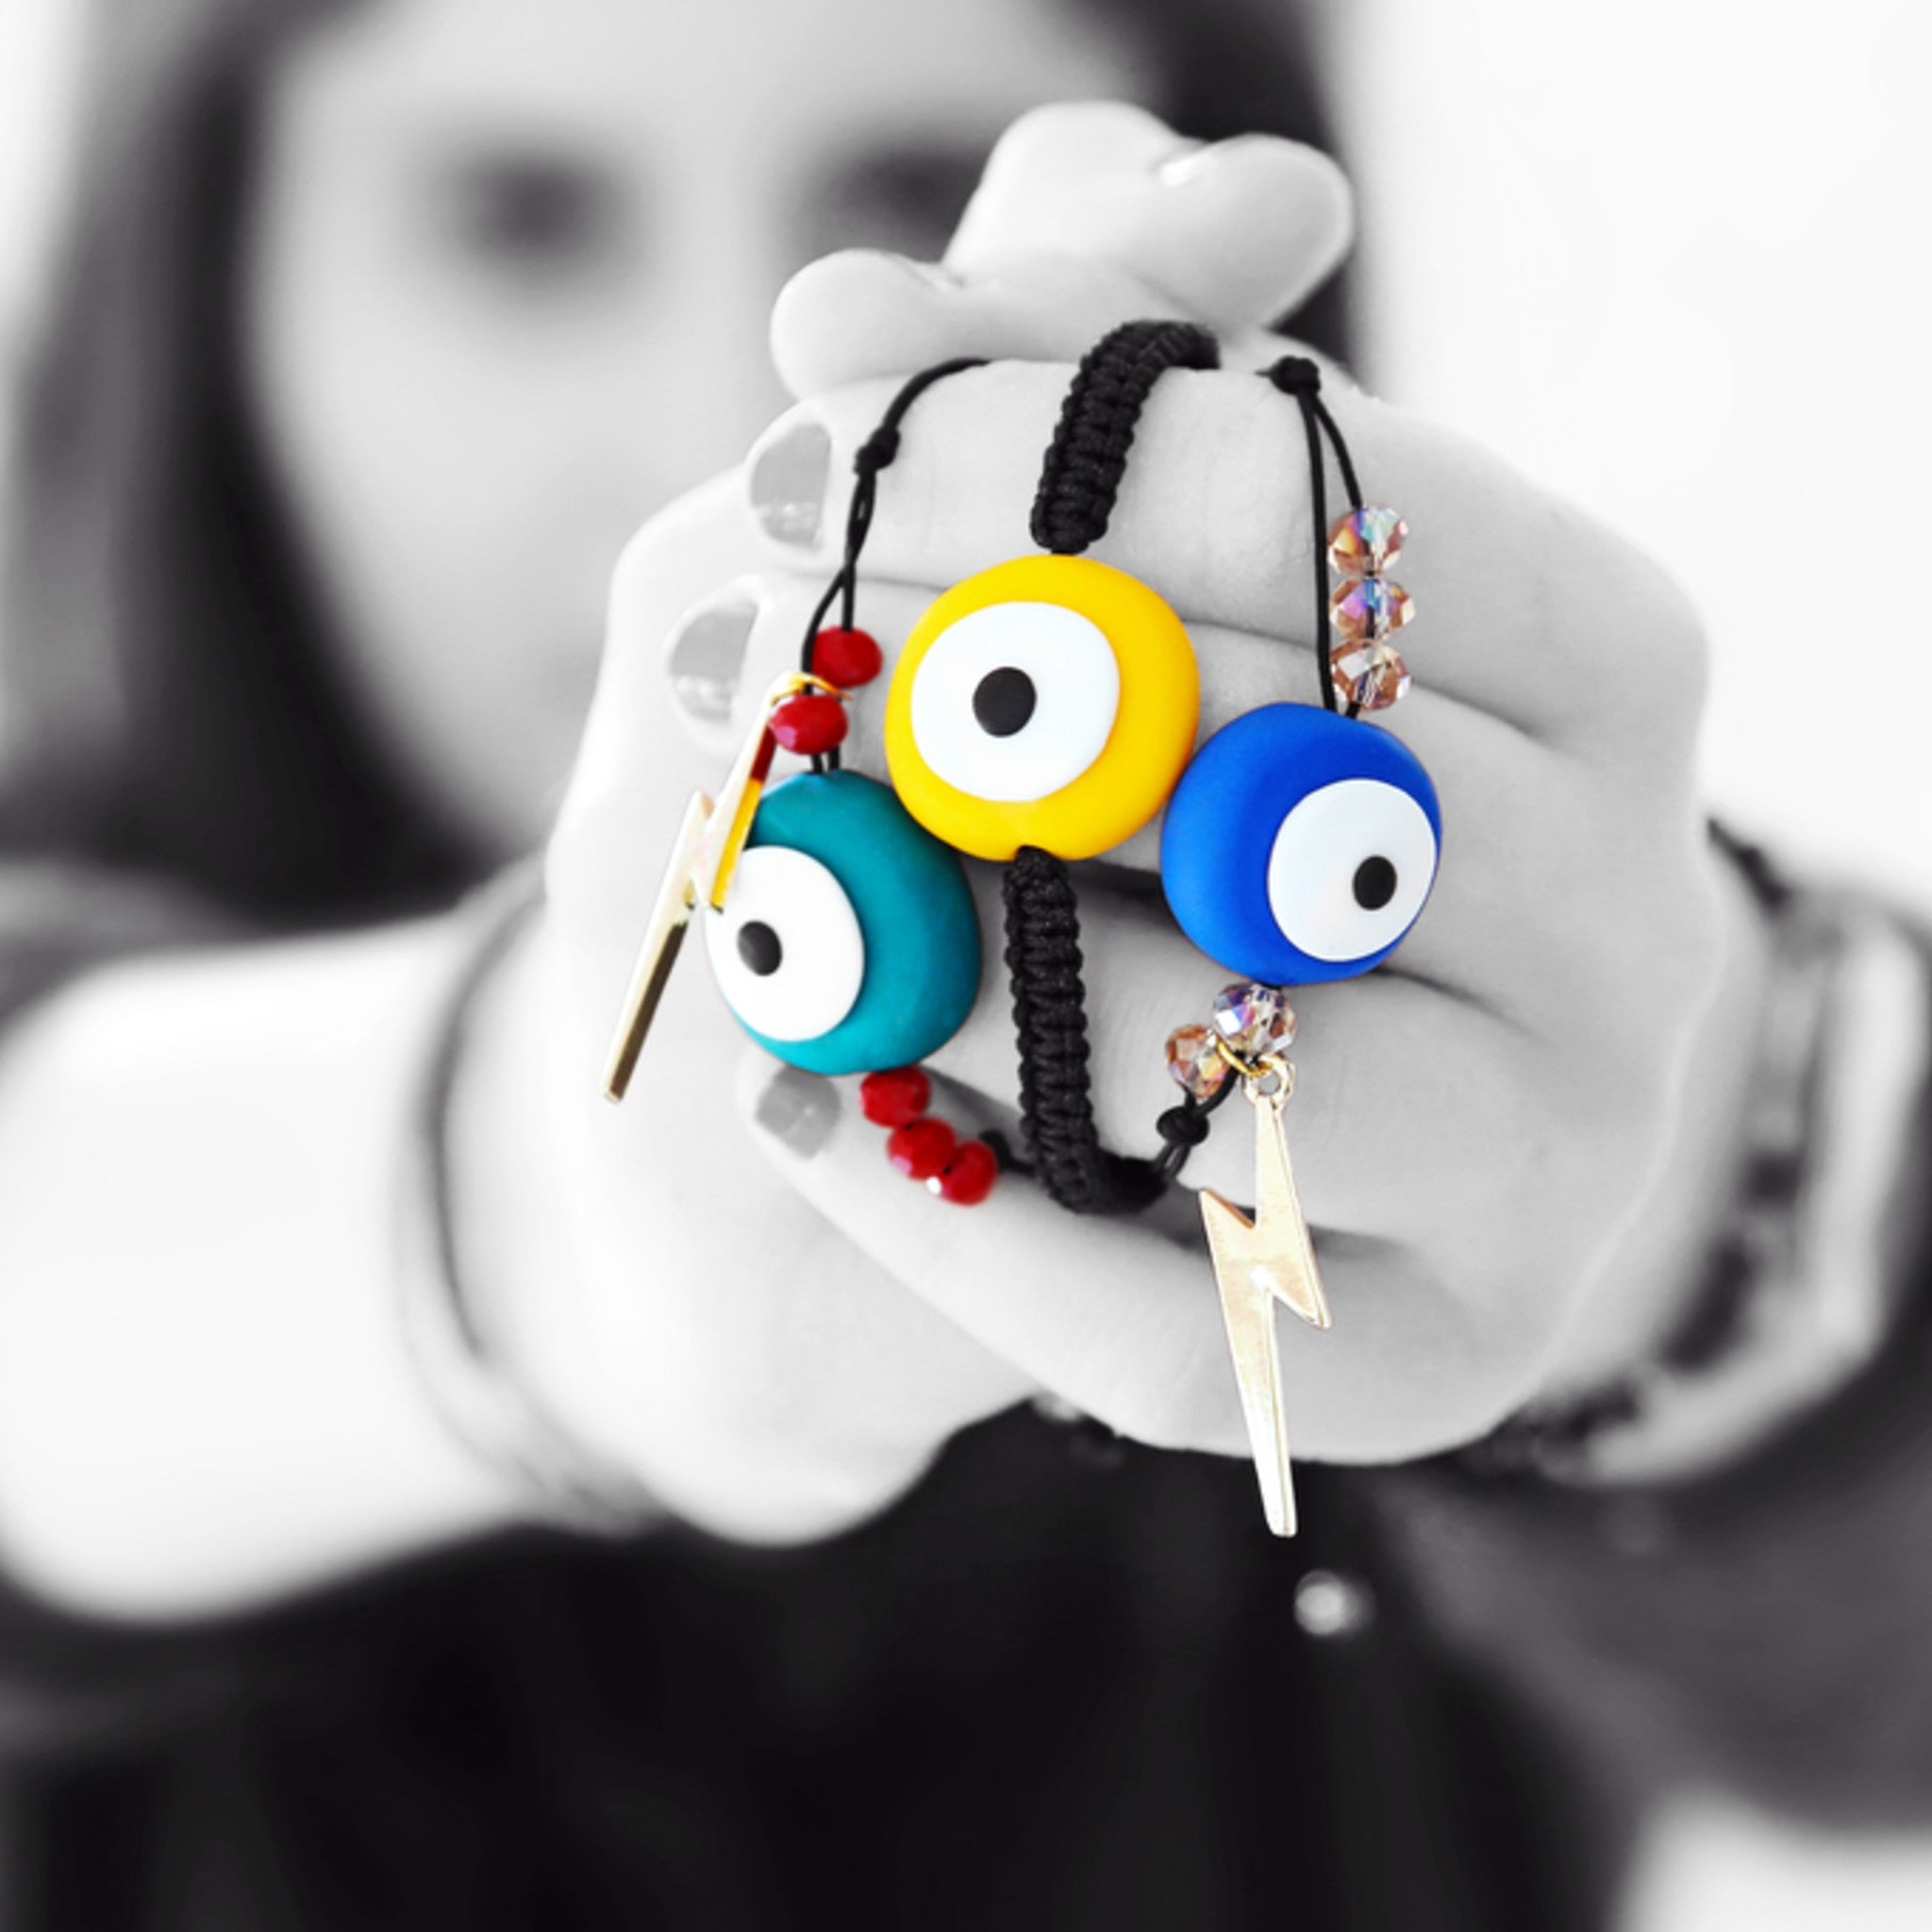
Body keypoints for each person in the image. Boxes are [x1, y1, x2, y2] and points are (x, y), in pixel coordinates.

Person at [0, 4, 1926, 1931]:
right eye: (515, 219)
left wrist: (1699, 1193)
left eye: (919, 193)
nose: (700, 437)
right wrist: (539, 1197)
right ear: (209, 262)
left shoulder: (1402, 958)